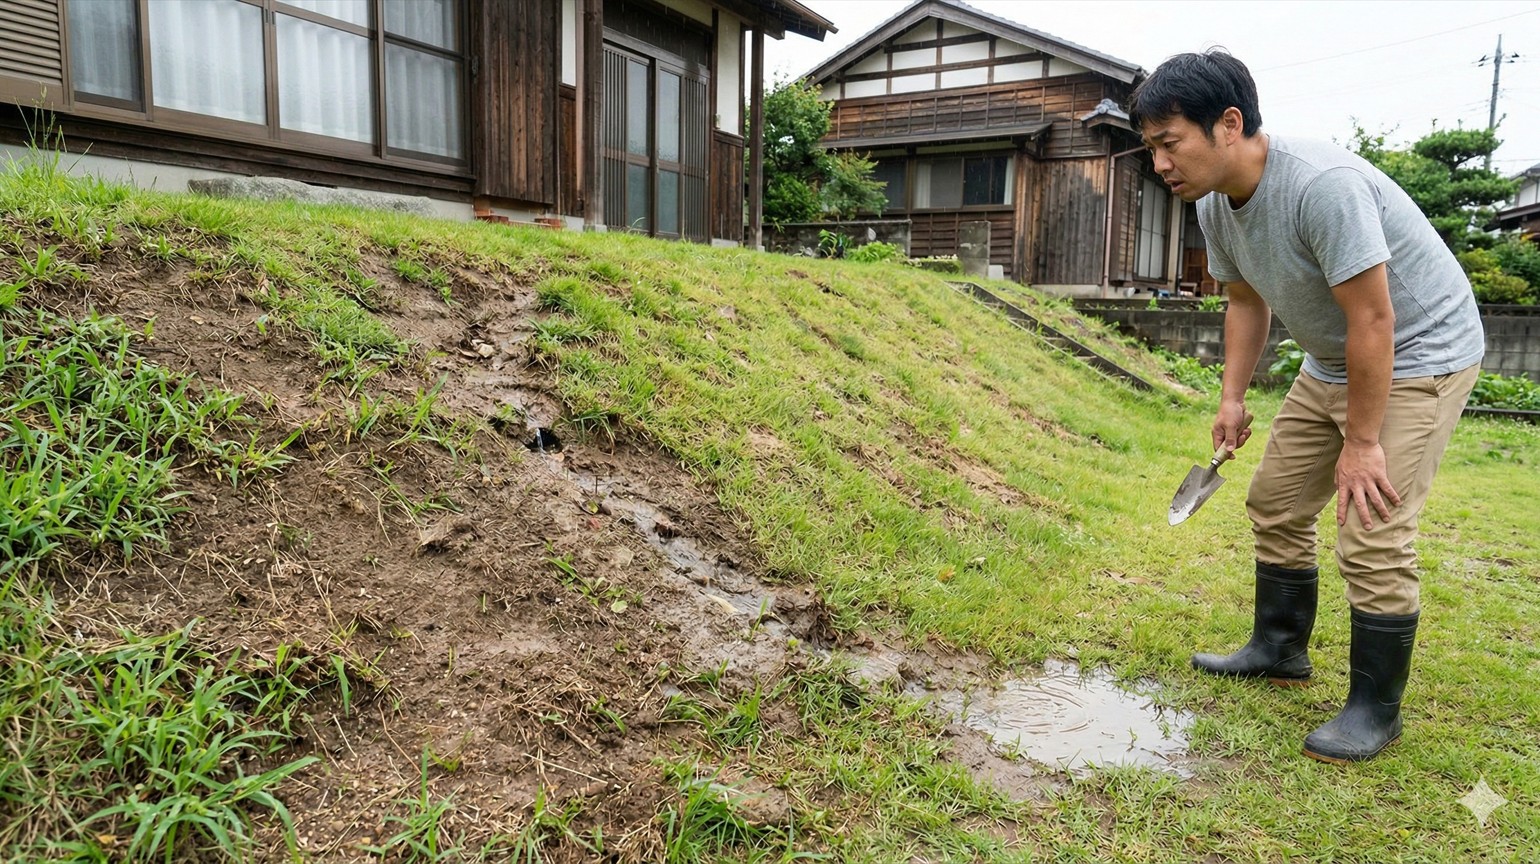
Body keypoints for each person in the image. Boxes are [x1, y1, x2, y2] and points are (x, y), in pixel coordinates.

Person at [1129, 50, 1485, 763]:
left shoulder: (1323, 187)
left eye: (1170, 144)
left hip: (1421, 355)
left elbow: (1376, 322)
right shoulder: (1213, 208)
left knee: (1372, 528)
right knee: (1277, 499)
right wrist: (1231, 397)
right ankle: (1279, 648)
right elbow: (1245, 299)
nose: (1161, 163)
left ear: (1228, 125)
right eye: (1152, 149)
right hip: (1332, 359)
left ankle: (1374, 711)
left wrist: (1361, 441)